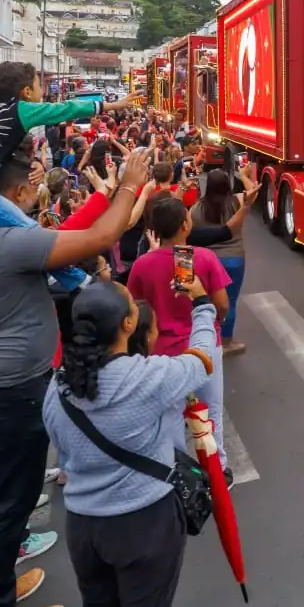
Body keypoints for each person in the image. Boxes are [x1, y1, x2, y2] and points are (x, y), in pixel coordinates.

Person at [0, 146, 151, 607]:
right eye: (28, 186)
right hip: (4, 395)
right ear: (12, 195)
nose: (34, 194)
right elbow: (101, 236)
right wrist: (129, 184)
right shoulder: (6, 240)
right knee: (7, 505)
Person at [42, 278, 217, 607]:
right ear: (127, 324)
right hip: (143, 523)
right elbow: (202, 356)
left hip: (83, 524)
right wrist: (202, 303)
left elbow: (61, 443)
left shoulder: (58, 385)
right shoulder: (149, 378)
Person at [0, 62, 136, 291]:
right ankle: (80, 282)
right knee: (33, 236)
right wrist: (114, 104)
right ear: (26, 92)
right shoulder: (19, 109)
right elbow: (66, 109)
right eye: (39, 87)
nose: (43, 94)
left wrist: (35, 162)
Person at [126, 196, 233, 473]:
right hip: (204, 347)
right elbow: (222, 304)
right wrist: (214, 322)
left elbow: (137, 309)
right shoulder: (205, 258)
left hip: (162, 352)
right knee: (211, 412)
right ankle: (217, 470)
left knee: (170, 415)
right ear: (186, 225)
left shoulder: (141, 265)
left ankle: (178, 473)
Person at [190, 168, 250, 356]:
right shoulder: (237, 202)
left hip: (207, 261)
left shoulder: (197, 208)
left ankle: (206, 337)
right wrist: (244, 175)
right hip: (234, 259)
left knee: (206, 300)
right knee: (229, 301)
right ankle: (226, 342)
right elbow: (253, 191)